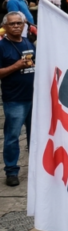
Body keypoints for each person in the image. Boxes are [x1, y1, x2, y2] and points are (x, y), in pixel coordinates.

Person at [0, 12, 34, 187]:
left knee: (35, 136)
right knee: (12, 136)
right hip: (14, 99)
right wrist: (16, 66)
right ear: (5, 26)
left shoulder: (28, 42)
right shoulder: (2, 46)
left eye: (19, 23)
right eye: (12, 24)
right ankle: (11, 171)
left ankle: (36, 169)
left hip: (34, 97)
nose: (16, 26)